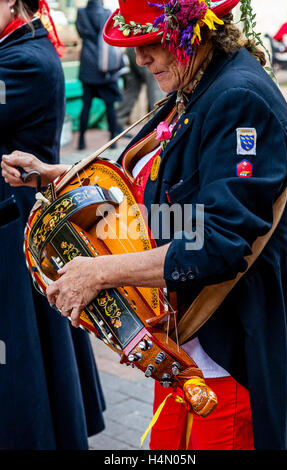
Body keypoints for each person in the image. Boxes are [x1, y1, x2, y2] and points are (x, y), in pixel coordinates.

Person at [2, 0, 287, 450]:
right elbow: (169, 203)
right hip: (184, 352)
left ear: (193, 32)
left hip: (228, 352)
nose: (140, 59)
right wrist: (55, 173)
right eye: (135, 45)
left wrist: (98, 272)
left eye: (151, 43)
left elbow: (219, 241)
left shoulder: (238, 98)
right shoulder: (198, 81)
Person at [0, 0, 105, 449]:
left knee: (26, 364)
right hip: (20, 224)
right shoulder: (21, 48)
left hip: (16, 228)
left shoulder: (24, 60)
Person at [76, 0, 123, 150]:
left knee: (86, 106)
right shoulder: (106, 13)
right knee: (110, 106)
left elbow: (81, 33)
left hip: (88, 67)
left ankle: (81, 141)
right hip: (105, 67)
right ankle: (113, 140)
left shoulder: (81, 13)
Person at [116, 47, 165, 131]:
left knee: (131, 89)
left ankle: (117, 124)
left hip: (132, 47)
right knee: (155, 89)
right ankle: (161, 126)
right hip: (143, 46)